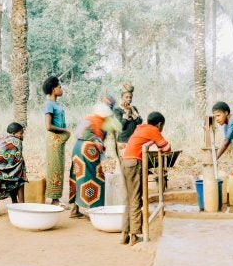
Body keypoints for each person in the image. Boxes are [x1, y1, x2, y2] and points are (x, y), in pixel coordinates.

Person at [120, 112, 171, 246]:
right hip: (134, 164)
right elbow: (166, 148)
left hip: (125, 162)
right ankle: (134, 236)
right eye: (162, 126)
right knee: (136, 199)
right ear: (160, 124)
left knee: (129, 199)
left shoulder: (140, 128)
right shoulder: (153, 130)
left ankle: (124, 234)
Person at [68, 97, 120, 217]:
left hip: (77, 149)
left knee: (78, 177)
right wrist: (97, 141)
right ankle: (95, 212)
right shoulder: (102, 120)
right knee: (95, 179)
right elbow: (93, 136)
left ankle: (75, 210)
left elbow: (79, 133)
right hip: (88, 151)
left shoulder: (90, 118)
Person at [42, 76, 70, 206]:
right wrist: (65, 131)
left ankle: (56, 199)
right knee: (55, 169)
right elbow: (48, 126)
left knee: (59, 168)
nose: (61, 89)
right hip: (54, 139)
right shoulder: (48, 104)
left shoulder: (56, 104)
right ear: (53, 89)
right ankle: (54, 200)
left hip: (58, 140)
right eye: (59, 87)